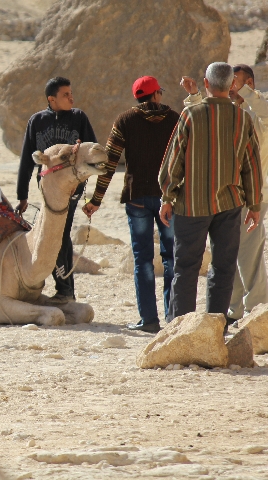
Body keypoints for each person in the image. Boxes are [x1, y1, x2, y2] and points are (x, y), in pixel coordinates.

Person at [159, 62, 262, 327]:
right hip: (230, 205)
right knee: (224, 268)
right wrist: (254, 204)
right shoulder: (243, 118)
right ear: (231, 86)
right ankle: (216, 328)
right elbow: (251, 165)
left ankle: (180, 329)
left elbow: (174, 161)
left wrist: (167, 197)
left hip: (191, 204)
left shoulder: (190, 115)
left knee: (186, 268)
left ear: (206, 84)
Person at [82, 76, 179, 333]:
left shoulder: (125, 120)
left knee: (143, 260)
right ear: (156, 94)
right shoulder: (175, 119)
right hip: (168, 198)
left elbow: (109, 163)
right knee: (172, 258)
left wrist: (96, 200)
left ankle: (148, 320)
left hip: (137, 199)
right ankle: (174, 319)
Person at [16, 76, 97, 303]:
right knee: (49, 231)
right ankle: (53, 285)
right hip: (47, 189)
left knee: (59, 231)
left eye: (71, 93)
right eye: (65, 95)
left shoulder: (79, 118)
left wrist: (88, 190)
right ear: (51, 99)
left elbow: (93, 153)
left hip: (72, 188)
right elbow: (26, 160)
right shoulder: (37, 121)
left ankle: (64, 289)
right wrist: (22, 195)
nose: (71, 98)